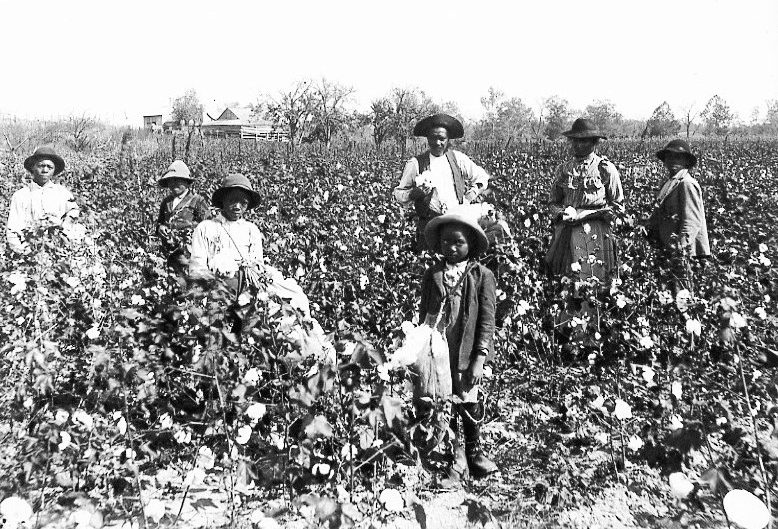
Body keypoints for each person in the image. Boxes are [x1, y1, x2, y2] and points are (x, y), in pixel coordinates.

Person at [418, 212, 498, 480]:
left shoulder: (482, 276)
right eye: (445, 242)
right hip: (441, 351)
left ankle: (475, 452)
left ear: (470, 245)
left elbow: (487, 320)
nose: (450, 248)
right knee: (445, 401)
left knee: (469, 400)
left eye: (458, 242)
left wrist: (479, 358)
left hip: (467, 352)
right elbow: (424, 315)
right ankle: (457, 454)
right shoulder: (433, 275)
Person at [189, 173, 310, 316]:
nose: (237, 207)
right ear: (223, 200)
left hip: (249, 287)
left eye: (243, 203)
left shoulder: (251, 230)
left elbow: (257, 264)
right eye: (232, 201)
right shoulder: (206, 228)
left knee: (295, 299)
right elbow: (197, 266)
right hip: (217, 289)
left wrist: (249, 278)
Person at [393, 114, 490, 252]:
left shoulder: (458, 159)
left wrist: (471, 194)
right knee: (427, 264)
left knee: (455, 262)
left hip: (456, 223)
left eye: (442, 139)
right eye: (433, 138)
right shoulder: (415, 164)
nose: (437, 142)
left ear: (448, 139)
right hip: (429, 224)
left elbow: (482, 177)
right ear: (427, 139)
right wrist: (414, 193)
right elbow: (399, 193)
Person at [545, 118, 624, 283]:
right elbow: (553, 202)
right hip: (567, 230)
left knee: (596, 279)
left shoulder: (605, 169)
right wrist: (562, 213)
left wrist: (591, 213)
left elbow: (618, 206)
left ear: (594, 143)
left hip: (596, 230)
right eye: (574, 140)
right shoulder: (564, 170)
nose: (576, 145)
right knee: (568, 280)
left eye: (582, 141)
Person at [645, 139, 710, 292]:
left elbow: (692, 221)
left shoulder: (686, 183)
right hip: (670, 250)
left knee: (683, 297)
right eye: (669, 157)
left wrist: (680, 249)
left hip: (682, 252)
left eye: (678, 157)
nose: (672, 160)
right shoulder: (672, 182)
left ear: (686, 161)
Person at [6, 146, 79, 254]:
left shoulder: (63, 193)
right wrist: (24, 252)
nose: (45, 170)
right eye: (41, 166)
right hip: (29, 250)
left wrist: (64, 227)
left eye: (49, 167)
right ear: (32, 167)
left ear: (54, 171)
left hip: (58, 249)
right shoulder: (20, 195)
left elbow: (74, 212)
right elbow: (12, 229)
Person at [155, 160, 210, 273]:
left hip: (189, 254)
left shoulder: (198, 201)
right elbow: (159, 223)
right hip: (168, 253)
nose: (173, 184)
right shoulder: (166, 202)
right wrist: (160, 228)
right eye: (171, 181)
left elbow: (208, 228)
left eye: (177, 180)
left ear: (186, 182)